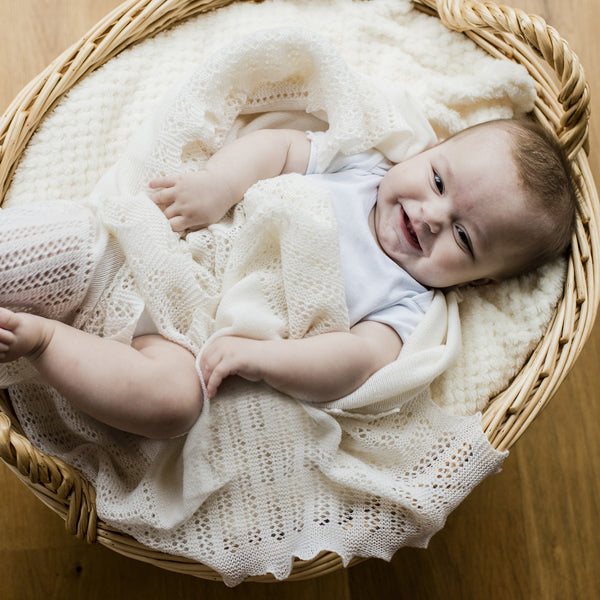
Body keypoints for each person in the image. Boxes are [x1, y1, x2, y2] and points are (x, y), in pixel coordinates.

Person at [0, 118, 577, 438]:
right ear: (427, 150)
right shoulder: (360, 168)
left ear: (476, 283)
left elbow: (352, 362)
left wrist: (260, 358)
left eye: (465, 238)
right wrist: (217, 187)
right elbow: (275, 148)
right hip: (142, 251)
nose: (429, 216)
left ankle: (44, 342)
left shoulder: (409, 303)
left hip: (183, 338)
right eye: (439, 181)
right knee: (69, 241)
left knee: (176, 406)